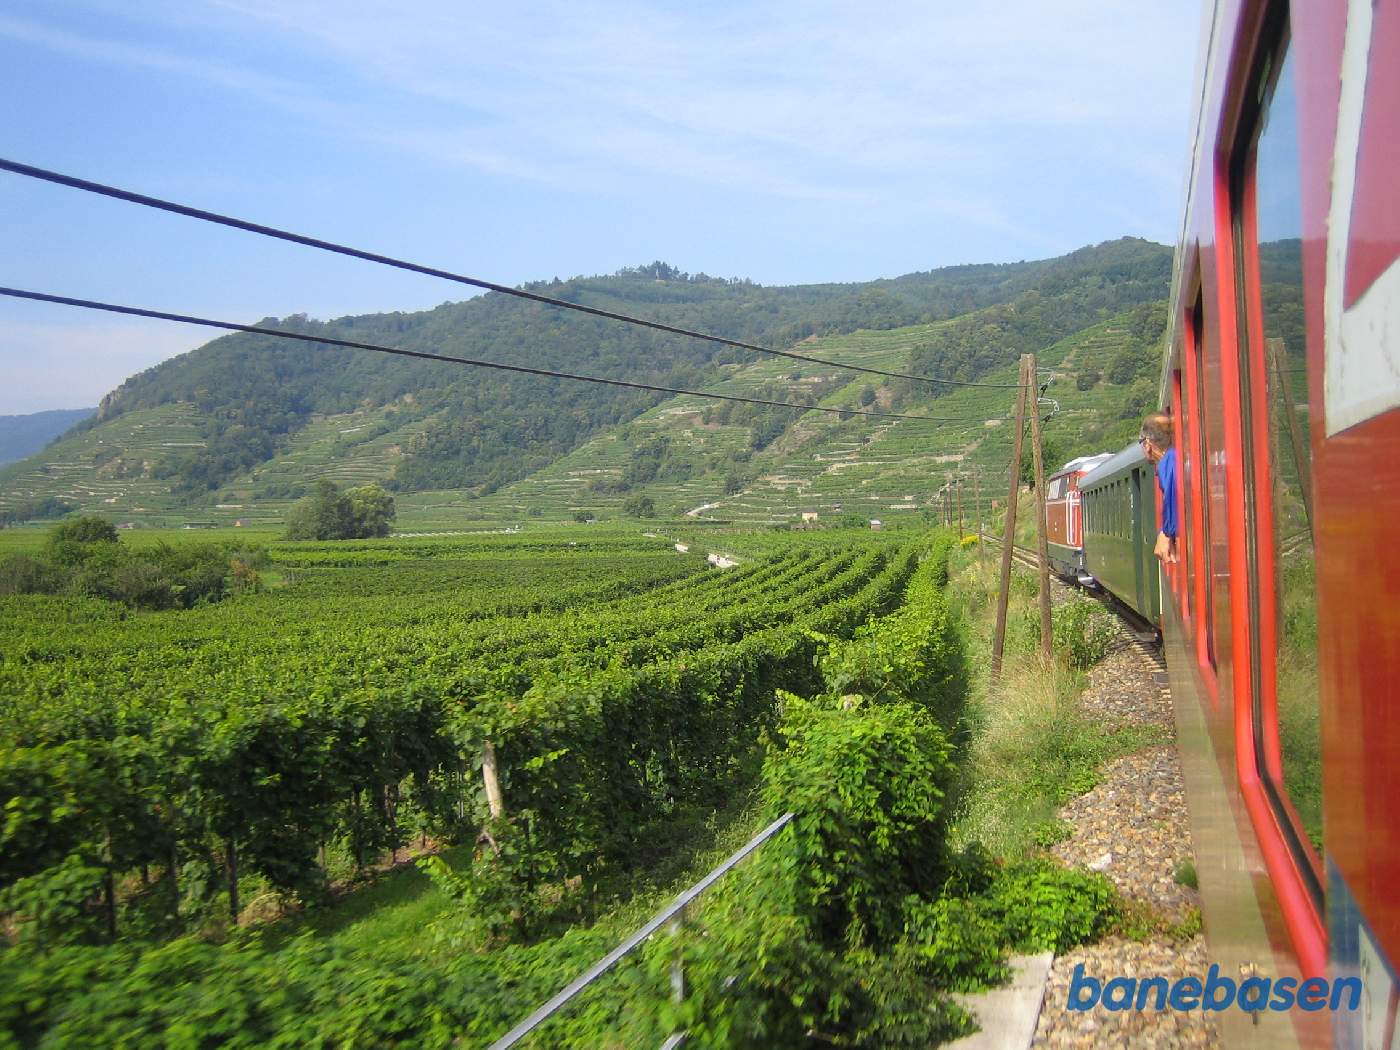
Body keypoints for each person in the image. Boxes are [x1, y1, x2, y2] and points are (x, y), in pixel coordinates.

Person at [1139, 412, 1178, 564]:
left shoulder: (1168, 462)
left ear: (1147, 444)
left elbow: (1174, 502)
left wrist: (1166, 534)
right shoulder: (1174, 458)